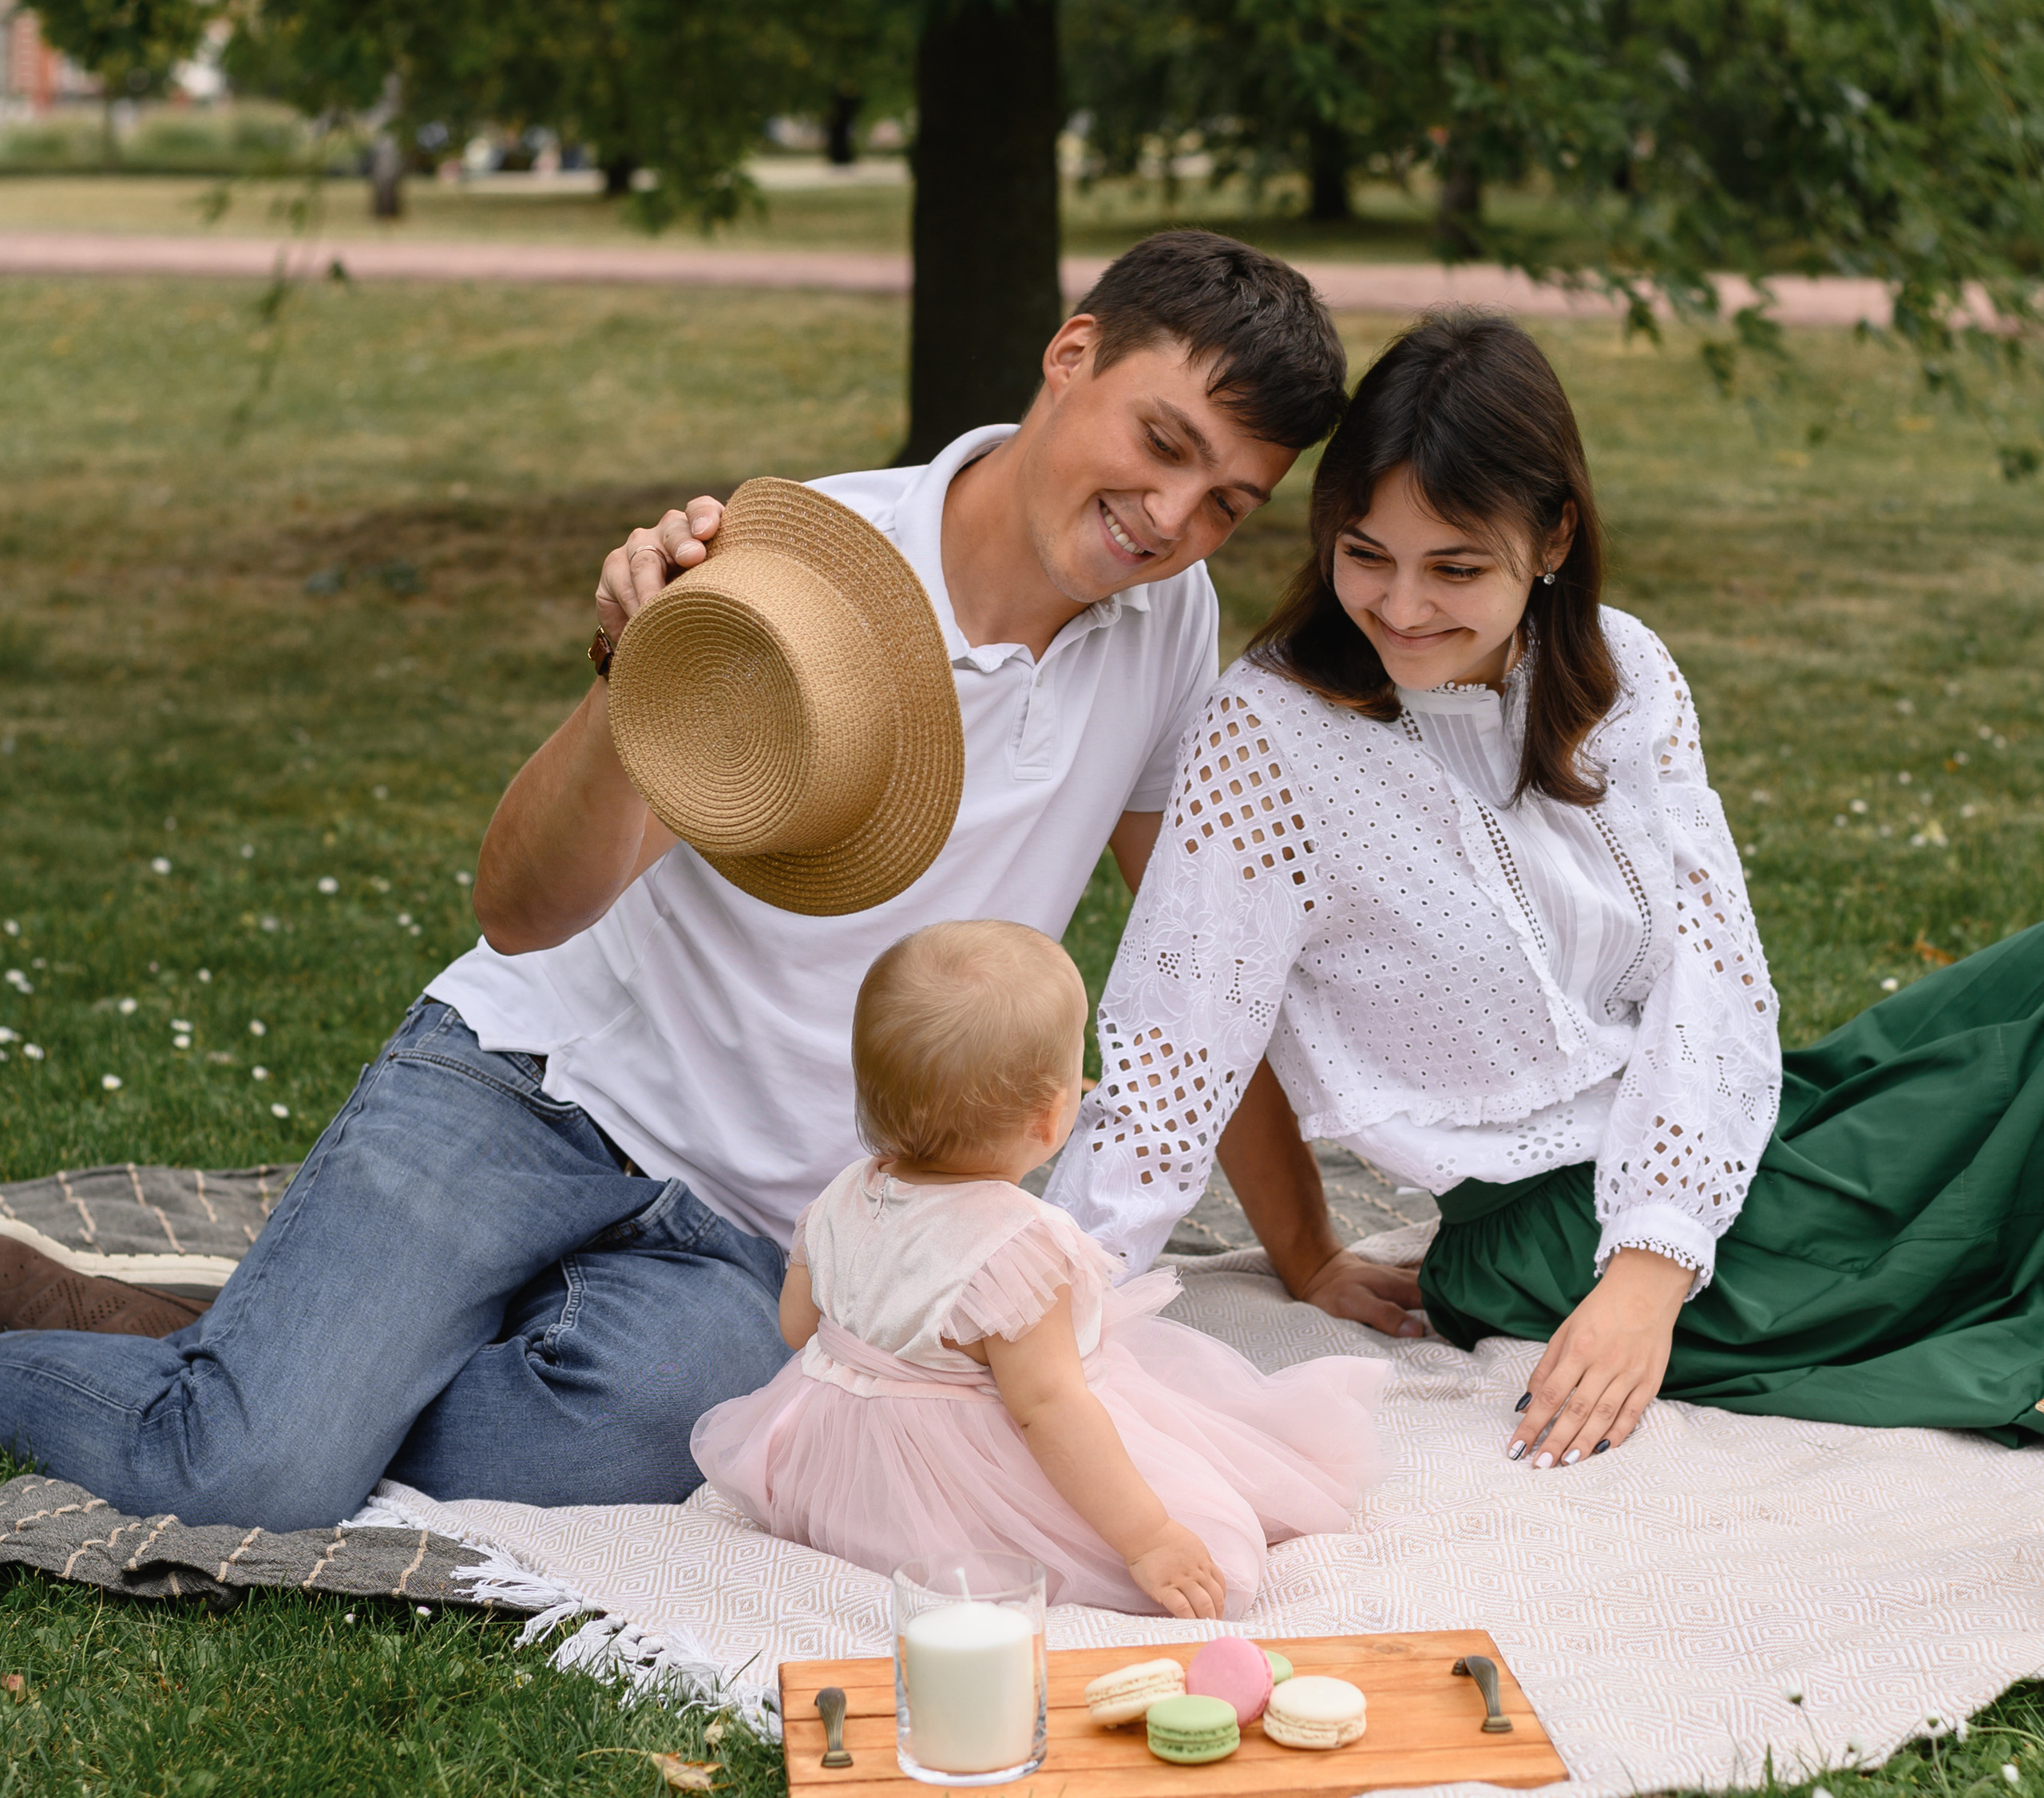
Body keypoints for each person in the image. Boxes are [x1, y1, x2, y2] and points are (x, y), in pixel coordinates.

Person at [0, 231, 1349, 1527]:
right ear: (1071, 355)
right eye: (1162, 441)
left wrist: (1312, 1254)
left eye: (1229, 499)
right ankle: (263, 1377)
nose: (1173, 516)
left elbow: (1193, 967)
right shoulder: (806, 565)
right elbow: (521, 912)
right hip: (543, 1084)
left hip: (762, 1224)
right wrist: (631, 683)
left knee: (674, 1440)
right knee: (252, 1476)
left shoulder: (1171, 619)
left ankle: (283, 1353)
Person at [1050, 310, 2044, 1460]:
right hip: (1539, 1236)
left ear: (1554, 534)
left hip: (1709, 1143)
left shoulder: (1626, 675)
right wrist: (1040, 1311)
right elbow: (1170, 1066)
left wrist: (1656, 1256)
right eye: (1365, 552)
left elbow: (1708, 973)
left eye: (1457, 565)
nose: (1404, 607)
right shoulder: (1270, 736)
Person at [693, 920, 1382, 1616]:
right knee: (1222, 1543)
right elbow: (1049, 1410)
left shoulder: (840, 1196)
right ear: (1054, 1118)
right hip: (960, 1482)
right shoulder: (1015, 1248)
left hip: (836, 1471)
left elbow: (796, 1327)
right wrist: (1149, 1537)